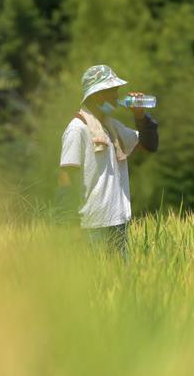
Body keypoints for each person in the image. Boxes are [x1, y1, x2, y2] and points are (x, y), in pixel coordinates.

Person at [57, 64, 159, 258]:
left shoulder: (112, 127)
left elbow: (149, 145)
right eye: (112, 91)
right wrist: (69, 224)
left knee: (119, 276)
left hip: (117, 222)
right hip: (90, 226)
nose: (116, 96)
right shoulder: (77, 129)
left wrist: (141, 117)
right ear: (96, 95)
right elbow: (66, 178)